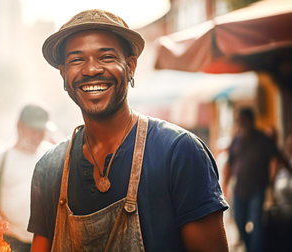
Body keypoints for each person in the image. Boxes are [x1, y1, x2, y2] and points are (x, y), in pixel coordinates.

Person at [28, 9, 229, 252]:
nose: (91, 69)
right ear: (63, 73)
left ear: (131, 66)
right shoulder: (49, 168)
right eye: (77, 60)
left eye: (106, 56)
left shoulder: (179, 152)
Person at [0, 104, 54, 252]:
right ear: (20, 127)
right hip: (10, 241)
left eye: (41, 131)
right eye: (33, 131)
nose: (37, 137)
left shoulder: (51, 157)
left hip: (45, 242)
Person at [222, 107, 291, 252]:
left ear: (250, 121)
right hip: (240, 189)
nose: (240, 123)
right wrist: (225, 186)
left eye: (242, 120)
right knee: (239, 223)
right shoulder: (236, 140)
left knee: (257, 224)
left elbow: (279, 157)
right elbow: (229, 163)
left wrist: (287, 173)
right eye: (238, 120)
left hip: (257, 189)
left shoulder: (263, 139)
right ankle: (250, 248)